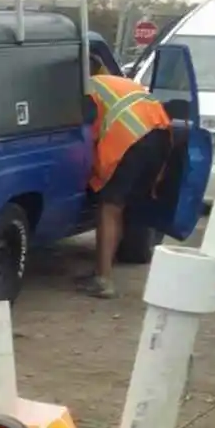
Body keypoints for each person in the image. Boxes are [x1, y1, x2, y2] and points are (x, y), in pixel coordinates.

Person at [81, 71, 177, 298]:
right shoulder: (117, 83)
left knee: (110, 208)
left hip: (129, 139)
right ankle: (105, 268)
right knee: (123, 206)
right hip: (161, 136)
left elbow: (86, 133)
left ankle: (103, 280)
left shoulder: (88, 89)